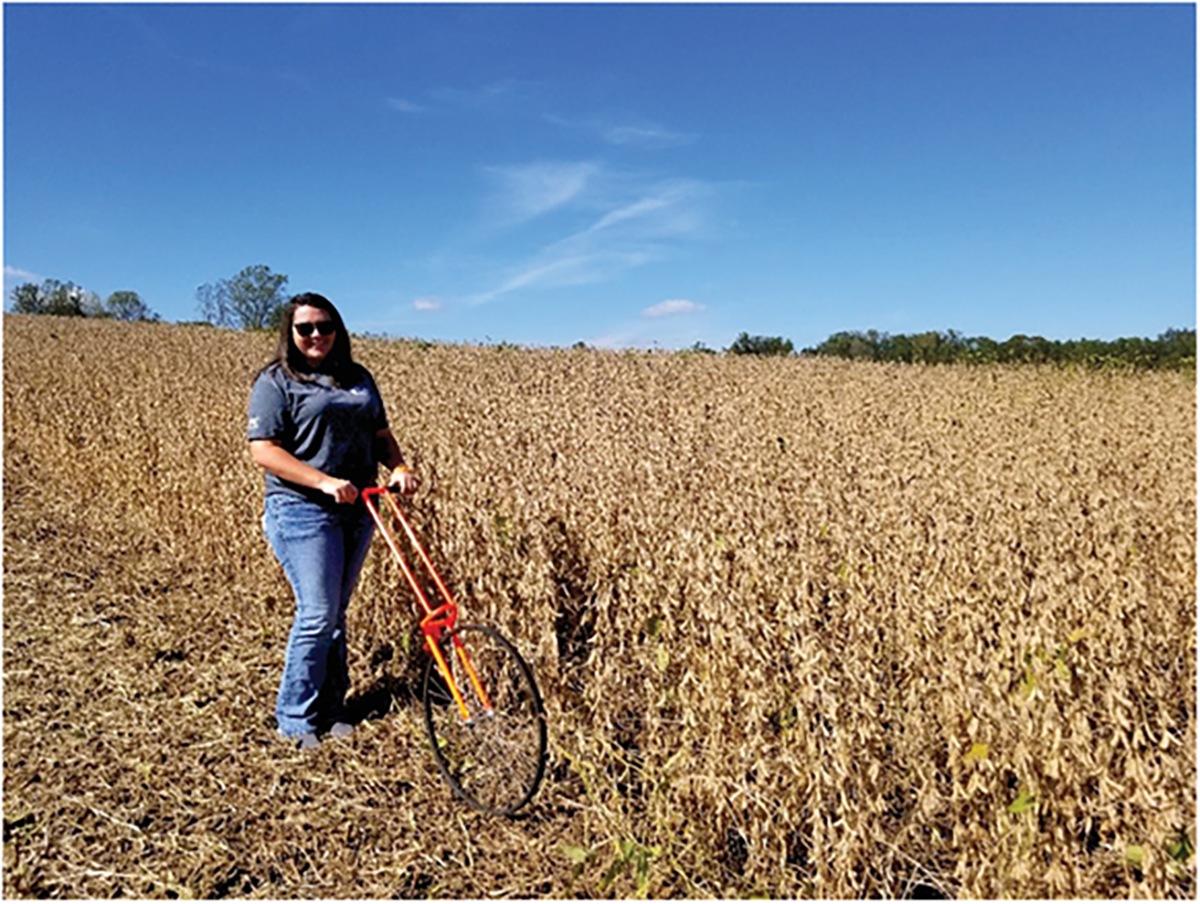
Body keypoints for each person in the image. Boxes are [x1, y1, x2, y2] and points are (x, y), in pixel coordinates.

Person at [247, 292, 418, 750]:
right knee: (318, 612)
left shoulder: (358, 378)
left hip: (360, 506)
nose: (317, 335)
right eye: (305, 329)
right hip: (302, 509)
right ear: (291, 334)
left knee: (335, 613)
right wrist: (322, 481)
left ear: (338, 329)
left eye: (325, 326)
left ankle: (333, 707)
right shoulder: (277, 381)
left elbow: (381, 434)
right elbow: (264, 449)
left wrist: (398, 468)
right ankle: (296, 718)